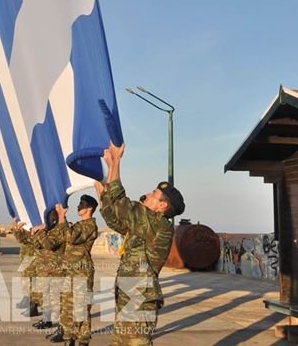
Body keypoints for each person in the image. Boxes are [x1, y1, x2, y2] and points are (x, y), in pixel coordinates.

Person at [95, 142, 185, 346]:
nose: (147, 194)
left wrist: (115, 163)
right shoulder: (144, 227)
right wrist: (102, 193)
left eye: (154, 194)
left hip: (140, 300)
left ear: (163, 205)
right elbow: (115, 218)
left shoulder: (160, 226)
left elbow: (124, 206)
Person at [57, 195, 99, 346]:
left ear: (89, 208)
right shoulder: (79, 224)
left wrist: (62, 217)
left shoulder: (89, 225)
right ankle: (69, 339)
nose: (79, 206)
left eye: (82, 204)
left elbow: (71, 236)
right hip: (70, 271)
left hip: (82, 271)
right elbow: (63, 236)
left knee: (80, 307)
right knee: (68, 306)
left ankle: (83, 340)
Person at [32, 208, 66, 332]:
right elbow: (36, 245)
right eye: (48, 216)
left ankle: (63, 326)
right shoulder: (47, 231)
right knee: (45, 297)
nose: (49, 219)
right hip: (45, 270)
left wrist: (40, 232)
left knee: (59, 299)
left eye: (51, 216)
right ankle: (47, 320)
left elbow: (49, 244)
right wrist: (39, 232)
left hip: (57, 271)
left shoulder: (61, 229)